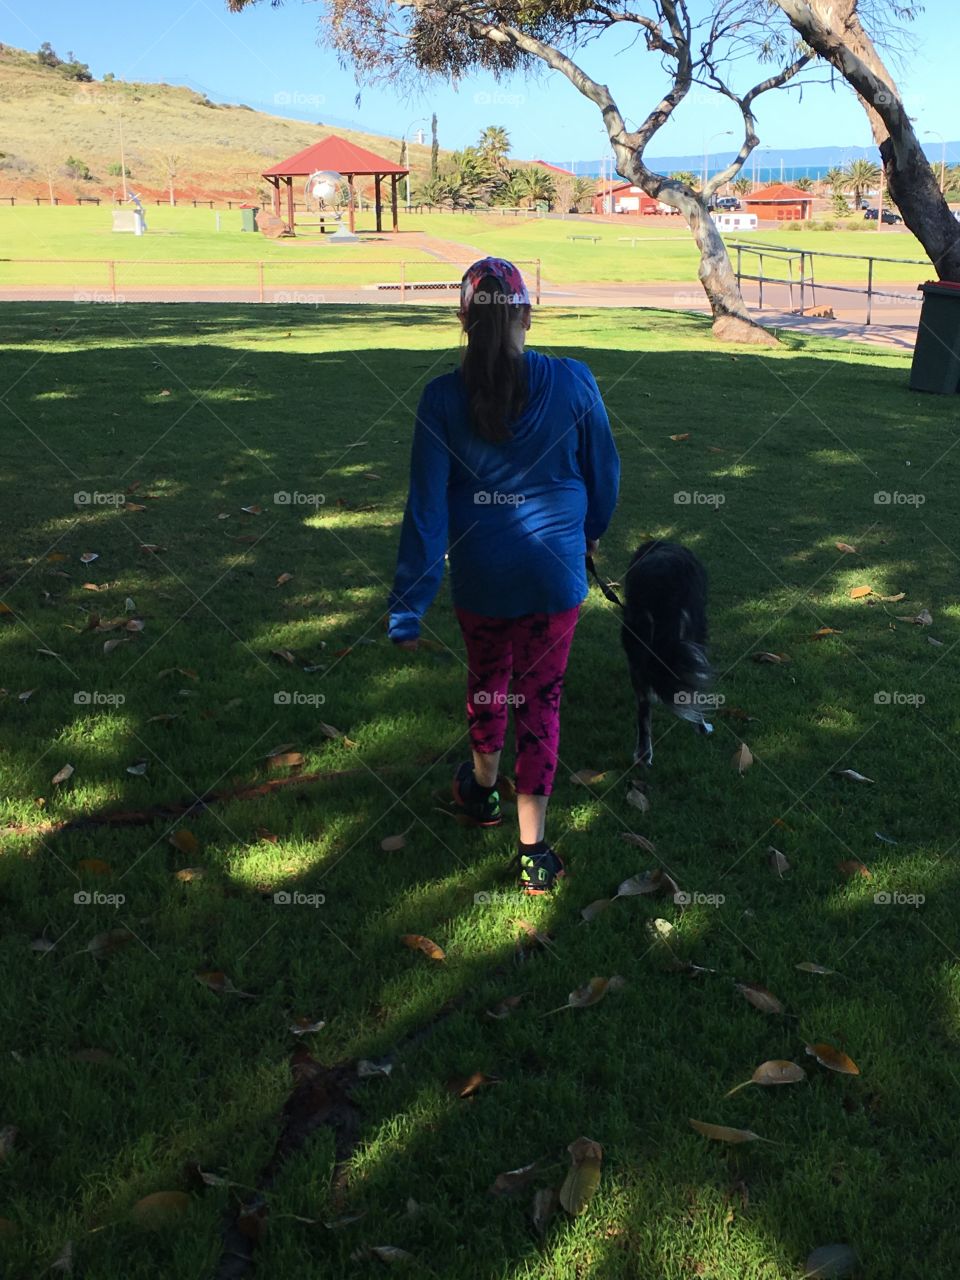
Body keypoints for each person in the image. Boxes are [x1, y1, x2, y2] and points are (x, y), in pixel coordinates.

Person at [387, 257, 620, 894]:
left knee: (489, 684)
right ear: (526, 312)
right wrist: (590, 529)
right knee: (539, 702)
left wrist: (409, 606)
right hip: (554, 580)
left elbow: (426, 510)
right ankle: (534, 852)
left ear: (463, 319)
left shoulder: (440, 398)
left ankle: (482, 794)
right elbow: (606, 474)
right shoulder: (574, 380)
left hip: (482, 582)